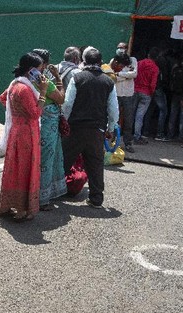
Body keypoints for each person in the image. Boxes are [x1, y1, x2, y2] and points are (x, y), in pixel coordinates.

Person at [61, 47, 118, 209]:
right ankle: (96, 198)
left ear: (83, 61)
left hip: (76, 129)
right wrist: (111, 128)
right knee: (95, 164)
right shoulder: (108, 82)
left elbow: (68, 104)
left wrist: (63, 122)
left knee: (64, 160)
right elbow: (113, 109)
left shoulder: (77, 78)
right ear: (100, 62)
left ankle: (53, 193)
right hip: (97, 130)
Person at [0, 52, 48, 221]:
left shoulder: (14, 84)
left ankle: (6, 205)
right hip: (27, 133)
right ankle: (21, 209)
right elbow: (35, 113)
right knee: (25, 169)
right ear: (31, 70)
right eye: (40, 70)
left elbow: (3, 99)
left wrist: (16, 112)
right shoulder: (26, 89)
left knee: (13, 167)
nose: (41, 74)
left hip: (15, 131)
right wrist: (43, 93)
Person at [32, 49, 67, 211]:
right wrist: (59, 77)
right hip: (47, 127)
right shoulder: (45, 82)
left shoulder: (23, 79)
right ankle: (42, 199)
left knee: (31, 161)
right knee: (45, 161)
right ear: (44, 65)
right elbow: (61, 99)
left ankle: (27, 196)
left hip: (30, 126)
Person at [132, 47, 160, 145]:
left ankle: (127, 133)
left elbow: (133, 75)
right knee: (140, 116)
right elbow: (153, 84)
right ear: (156, 58)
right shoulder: (155, 68)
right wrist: (152, 93)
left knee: (131, 113)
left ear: (148, 55)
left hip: (135, 90)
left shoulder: (139, 63)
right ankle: (137, 136)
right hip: (146, 93)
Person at [110, 52, 137, 152]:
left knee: (128, 119)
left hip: (128, 94)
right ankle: (111, 141)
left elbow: (134, 74)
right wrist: (125, 76)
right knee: (114, 118)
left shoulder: (132, 60)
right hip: (116, 94)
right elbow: (113, 77)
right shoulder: (113, 61)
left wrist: (119, 74)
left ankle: (128, 143)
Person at [167, 51, 183, 141]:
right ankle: (181, 135)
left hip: (175, 93)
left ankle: (170, 133)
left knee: (173, 114)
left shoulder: (175, 66)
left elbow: (171, 79)